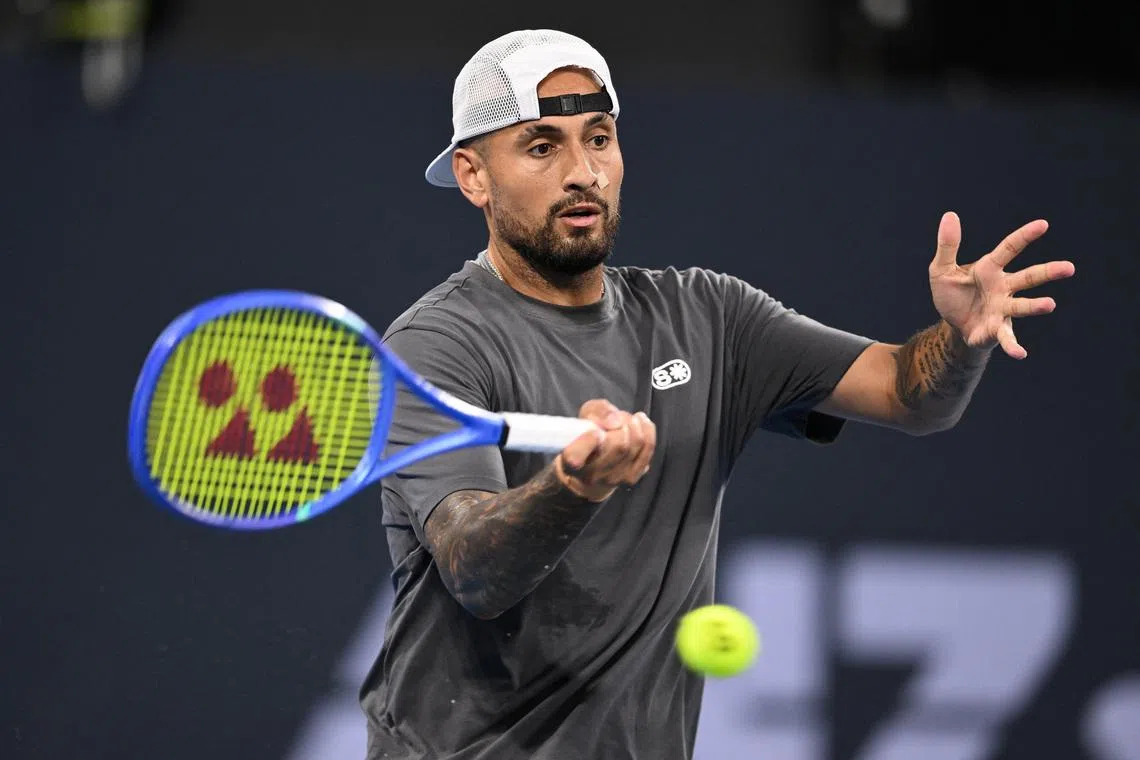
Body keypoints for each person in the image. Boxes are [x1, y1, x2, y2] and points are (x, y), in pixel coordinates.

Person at [359, 29, 1075, 760]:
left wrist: (961, 341)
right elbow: (475, 568)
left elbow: (910, 396)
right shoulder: (436, 346)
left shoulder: (710, 319)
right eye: (542, 147)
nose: (584, 172)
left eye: (599, 138)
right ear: (474, 176)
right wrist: (574, 486)